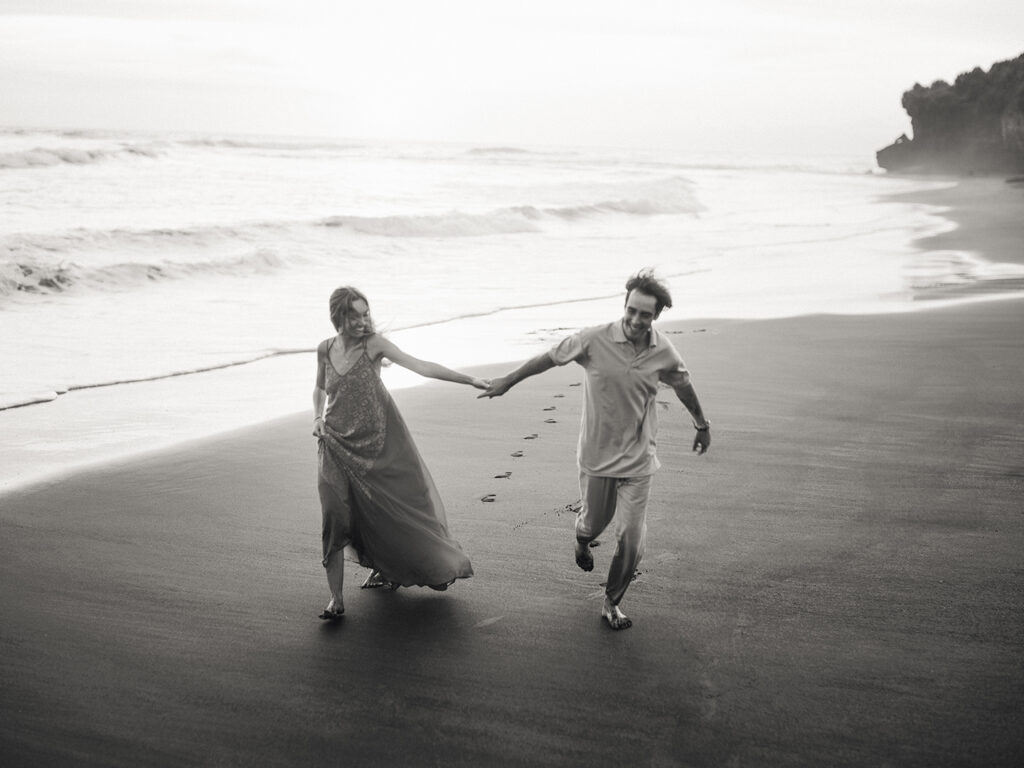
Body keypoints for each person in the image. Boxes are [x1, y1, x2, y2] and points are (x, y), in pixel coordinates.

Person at [479, 269, 710, 630]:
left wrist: (701, 423)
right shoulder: (593, 339)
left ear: (656, 316)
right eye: (631, 310)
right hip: (596, 458)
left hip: (639, 460)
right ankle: (582, 541)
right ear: (625, 305)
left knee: (632, 537)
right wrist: (508, 381)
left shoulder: (663, 351)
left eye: (644, 314)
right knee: (593, 524)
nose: (635, 319)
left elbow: (683, 386)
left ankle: (611, 601)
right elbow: (550, 357)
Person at [313, 286, 486, 620]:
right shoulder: (324, 349)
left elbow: (420, 366)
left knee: (384, 514)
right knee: (335, 516)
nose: (363, 321)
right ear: (338, 317)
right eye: (355, 315)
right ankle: (336, 599)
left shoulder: (374, 346)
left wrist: (469, 379)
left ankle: (386, 567)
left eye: (366, 313)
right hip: (334, 444)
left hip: (377, 447)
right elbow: (320, 388)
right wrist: (317, 417)